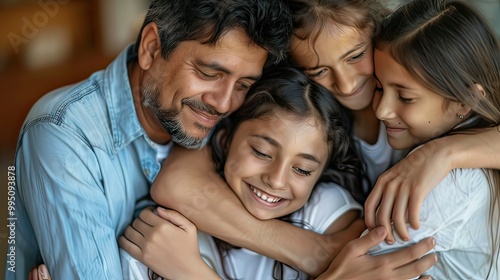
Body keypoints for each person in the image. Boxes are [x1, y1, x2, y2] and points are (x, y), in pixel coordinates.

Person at [9, 0, 292, 278]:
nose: (223, 103)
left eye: (243, 85)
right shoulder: (64, 133)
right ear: (151, 48)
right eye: (209, 73)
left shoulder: (238, 125)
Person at [121, 65, 366, 279]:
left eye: (302, 169)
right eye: (261, 152)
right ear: (226, 139)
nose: (276, 180)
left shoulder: (325, 214)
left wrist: (194, 274)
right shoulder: (170, 234)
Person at [288, 0, 500, 245]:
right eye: (318, 72)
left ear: (380, 34)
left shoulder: (425, 74)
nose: (346, 85)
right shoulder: (303, 116)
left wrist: (444, 152)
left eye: (356, 56)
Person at [360, 0, 500, 279]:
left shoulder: (449, 184)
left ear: (464, 101)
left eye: (405, 97)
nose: (381, 110)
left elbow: (357, 264)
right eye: (378, 87)